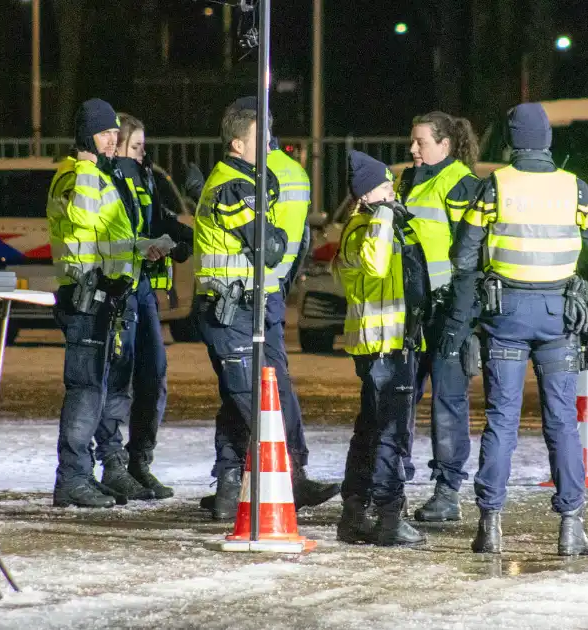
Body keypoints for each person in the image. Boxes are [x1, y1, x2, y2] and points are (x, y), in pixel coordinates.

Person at [443, 103, 588, 555]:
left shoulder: (494, 186)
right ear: (548, 140)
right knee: (562, 422)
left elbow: (462, 254)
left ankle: (491, 524)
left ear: (513, 141)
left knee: (502, 419)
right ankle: (571, 527)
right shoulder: (575, 188)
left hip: (506, 316)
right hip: (559, 316)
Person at [192, 100, 336, 521]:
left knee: (259, 396)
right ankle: (272, 486)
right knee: (254, 402)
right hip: (229, 309)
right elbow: (270, 246)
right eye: (260, 137)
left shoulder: (247, 181)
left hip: (247, 305)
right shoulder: (235, 187)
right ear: (238, 143)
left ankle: (239, 487)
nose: (269, 143)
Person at [47, 99, 144, 508]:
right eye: (105, 134)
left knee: (95, 389)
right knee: (85, 390)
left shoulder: (93, 175)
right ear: (88, 135)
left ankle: (80, 474)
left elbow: (105, 234)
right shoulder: (83, 175)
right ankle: (72, 478)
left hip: (102, 294)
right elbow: (85, 229)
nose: (112, 141)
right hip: (87, 295)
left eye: (114, 134)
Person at [334, 150, 428, 547]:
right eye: (385, 186)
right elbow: (374, 264)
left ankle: (356, 509)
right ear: (367, 193)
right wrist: (386, 214)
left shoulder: (376, 224)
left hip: (392, 344)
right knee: (390, 431)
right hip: (382, 347)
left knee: (372, 428)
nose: (393, 192)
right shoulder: (362, 229)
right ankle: (389, 514)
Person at [104, 112, 195, 500]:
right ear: (119, 146)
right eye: (136, 147)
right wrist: (149, 243)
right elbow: (118, 233)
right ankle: (112, 464)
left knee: (152, 376)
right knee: (118, 379)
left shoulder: (146, 177)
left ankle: (139, 461)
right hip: (117, 291)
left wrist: (181, 236)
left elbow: (158, 217)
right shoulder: (110, 180)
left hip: (142, 288)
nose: (143, 155)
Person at [396, 111, 481, 523]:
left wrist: (460, 320)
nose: (413, 149)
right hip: (415, 313)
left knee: (448, 404)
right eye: (412, 142)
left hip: (449, 314)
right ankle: (394, 480)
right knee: (402, 397)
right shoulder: (412, 179)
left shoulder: (460, 184)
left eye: (421, 142)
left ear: (444, 145)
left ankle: (447, 493)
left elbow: (471, 260)